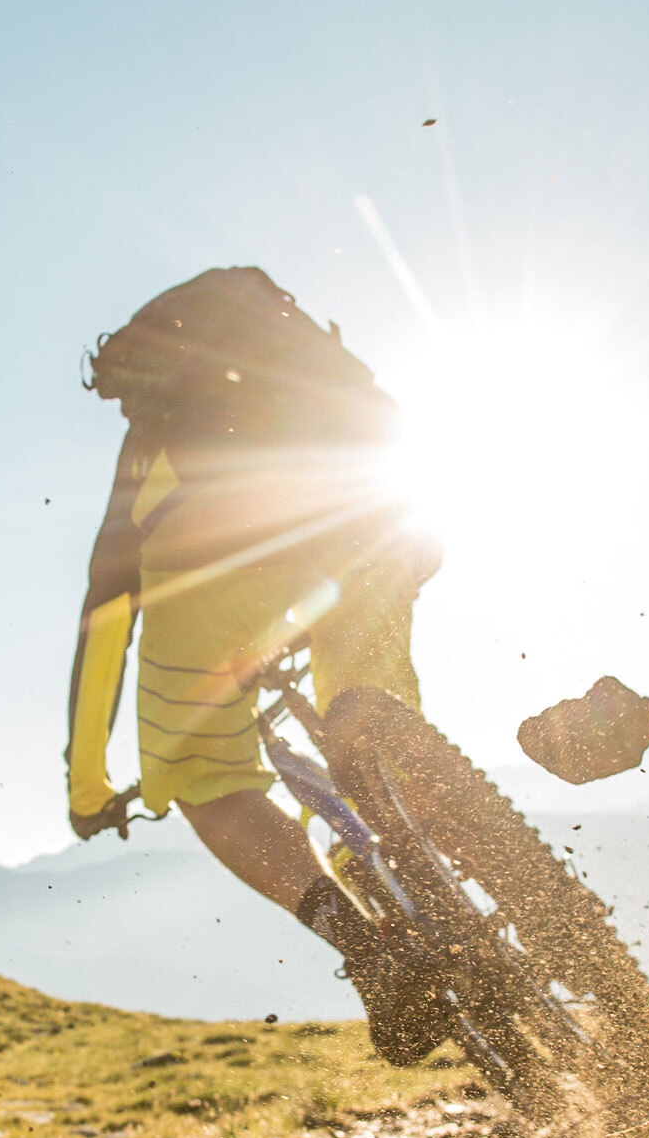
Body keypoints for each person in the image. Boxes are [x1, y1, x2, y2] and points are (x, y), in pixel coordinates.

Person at [65, 265, 447, 1060]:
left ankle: (374, 952)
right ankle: (440, 872)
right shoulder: (306, 367)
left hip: (217, 575)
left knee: (208, 783)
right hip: (367, 523)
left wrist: (90, 786)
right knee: (370, 720)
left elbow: (108, 611)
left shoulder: (154, 441)